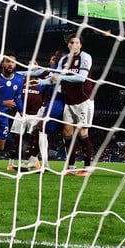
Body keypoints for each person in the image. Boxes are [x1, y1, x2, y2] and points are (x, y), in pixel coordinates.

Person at [48, 35, 95, 176]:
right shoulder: (64, 60)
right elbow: (54, 76)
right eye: (71, 42)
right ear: (68, 44)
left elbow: (81, 77)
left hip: (84, 100)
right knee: (67, 132)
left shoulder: (86, 57)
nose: (74, 45)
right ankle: (71, 166)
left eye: (77, 42)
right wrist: (38, 82)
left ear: (80, 45)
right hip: (69, 100)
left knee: (82, 133)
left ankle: (87, 167)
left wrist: (60, 77)